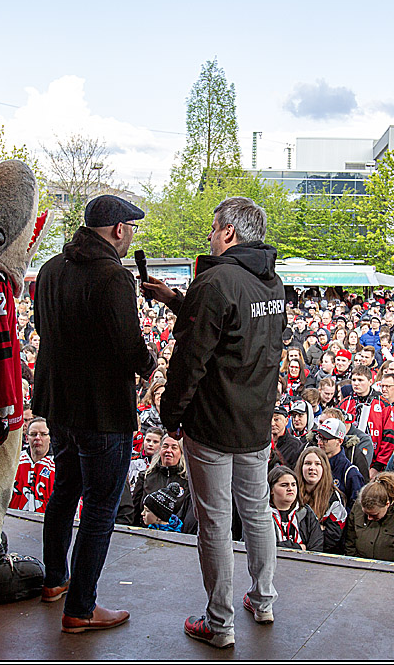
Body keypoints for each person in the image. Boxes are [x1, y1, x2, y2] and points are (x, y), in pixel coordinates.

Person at [146, 197, 285, 648]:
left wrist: (170, 414)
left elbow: (192, 357)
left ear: (227, 232)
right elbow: (233, 330)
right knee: (258, 512)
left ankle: (219, 623)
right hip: (255, 420)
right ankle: (263, 600)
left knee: (215, 522)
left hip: (212, 424)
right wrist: (175, 301)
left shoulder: (216, 280)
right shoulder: (273, 283)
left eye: (211, 229)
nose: (208, 237)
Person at [34, 194, 157, 633]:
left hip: (58, 406)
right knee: (101, 507)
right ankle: (81, 607)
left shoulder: (49, 269)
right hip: (102, 411)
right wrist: (149, 363)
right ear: (119, 229)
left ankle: (54, 581)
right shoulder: (113, 277)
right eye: (131, 229)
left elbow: (42, 330)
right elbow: (128, 348)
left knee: (64, 491)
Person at [344, 472, 394, 561]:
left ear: (387, 504)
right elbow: (350, 540)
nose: (369, 518)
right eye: (366, 514)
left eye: (374, 515)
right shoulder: (358, 507)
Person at [295, 446, 349, 554]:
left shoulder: (334, 498)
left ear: (324, 467)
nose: (312, 467)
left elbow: (332, 537)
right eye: (308, 463)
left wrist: (307, 543)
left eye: (317, 464)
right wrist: (318, 529)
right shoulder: (292, 492)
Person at [314, 417, 365, 511]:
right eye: (319, 437)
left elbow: (356, 510)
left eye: (325, 439)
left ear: (340, 441)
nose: (319, 442)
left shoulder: (350, 473)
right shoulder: (313, 465)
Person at [267, 465, 322, 551]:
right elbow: (259, 546)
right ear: (271, 490)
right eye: (284, 485)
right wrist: (299, 547)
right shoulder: (261, 514)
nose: (290, 489)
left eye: (293, 485)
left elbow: (316, 547)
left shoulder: (306, 513)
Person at [10, 417, 55, 513]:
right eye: (33, 434)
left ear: (51, 438)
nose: (38, 438)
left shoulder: (58, 466)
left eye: (43, 434)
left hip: (45, 523)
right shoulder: (14, 462)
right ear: (26, 438)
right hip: (14, 521)